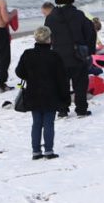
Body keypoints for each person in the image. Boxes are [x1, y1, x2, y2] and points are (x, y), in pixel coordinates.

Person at [14, 26, 69, 160]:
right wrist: (65, 98)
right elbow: (62, 79)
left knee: (36, 123)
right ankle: (49, 151)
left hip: (33, 92)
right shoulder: (54, 56)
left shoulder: (28, 54)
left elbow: (19, 72)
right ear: (49, 39)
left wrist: (30, 76)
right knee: (49, 123)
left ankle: (36, 151)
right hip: (51, 94)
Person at [44, 0, 96, 117]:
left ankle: (62, 110)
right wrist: (89, 50)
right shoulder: (79, 15)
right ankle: (81, 109)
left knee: (61, 84)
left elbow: (46, 38)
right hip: (77, 54)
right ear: (71, 0)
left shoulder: (50, 18)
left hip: (58, 56)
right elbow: (91, 32)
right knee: (80, 84)